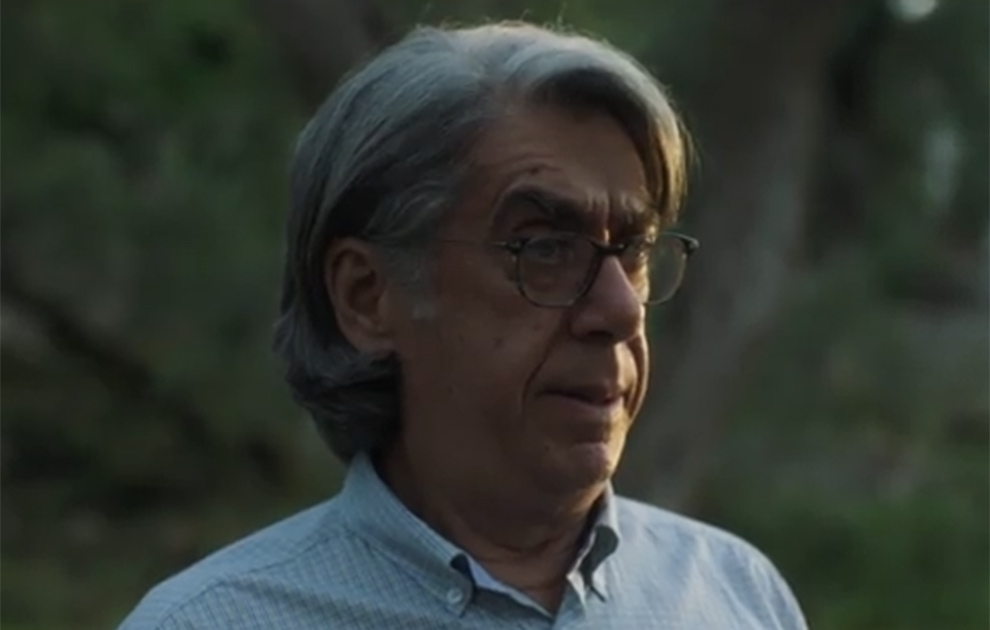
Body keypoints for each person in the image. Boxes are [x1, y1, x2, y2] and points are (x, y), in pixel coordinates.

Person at [119, 21, 807, 630]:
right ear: (367, 297)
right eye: (545, 249)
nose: (621, 310)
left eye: (634, 251)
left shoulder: (738, 597)